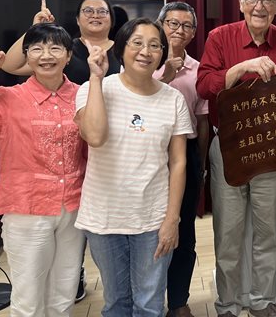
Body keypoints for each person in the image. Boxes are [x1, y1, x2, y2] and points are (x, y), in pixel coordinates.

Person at [196, 0, 276, 317]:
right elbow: (204, 85)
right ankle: (226, 305)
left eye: (268, 0)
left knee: (267, 234)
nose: (260, 6)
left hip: (271, 150)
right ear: (240, 2)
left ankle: (261, 301)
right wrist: (239, 70)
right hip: (228, 146)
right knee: (227, 236)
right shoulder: (219, 37)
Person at [2, 0, 121, 301]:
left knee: (63, 286)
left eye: (102, 10)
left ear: (112, 17)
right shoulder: (64, 50)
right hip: (39, 191)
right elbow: (14, 65)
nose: (95, 15)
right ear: (78, 19)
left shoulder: (126, 48)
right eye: (88, 10)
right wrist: (36, 30)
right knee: (31, 293)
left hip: (96, 170)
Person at [75, 17, 191, 316]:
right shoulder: (92, 88)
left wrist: (172, 219)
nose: (146, 51)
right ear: (122, 48)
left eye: (155, 45)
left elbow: (179, 162)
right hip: (104, 216)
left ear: (163, 53)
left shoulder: (173, 99)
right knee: (116, 302)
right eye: (137, 43)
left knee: (149, 304)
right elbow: (95, 137)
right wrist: (97, 78)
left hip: (153, 218)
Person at [0, 23, 86, 317]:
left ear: (68, 55)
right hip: (28, 209)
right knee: (28, 301)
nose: (46, 55)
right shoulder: (8, 97)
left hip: (73, 208)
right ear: (26, 56)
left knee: (64, 294)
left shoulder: (83, 95)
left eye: (55, 48)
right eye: (37, 48)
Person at [154, 2, 209, 317]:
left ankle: (178, 301)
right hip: (146, 155)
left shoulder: (199, 68)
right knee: (146, 230)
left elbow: (201, 122)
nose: (179, 30)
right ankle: (146, 299)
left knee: (183, 229)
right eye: (173, 23)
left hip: (185, 153)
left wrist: (199, 162)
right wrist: (167, 74)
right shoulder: (140, 59)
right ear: (161, 24)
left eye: (187, 25)